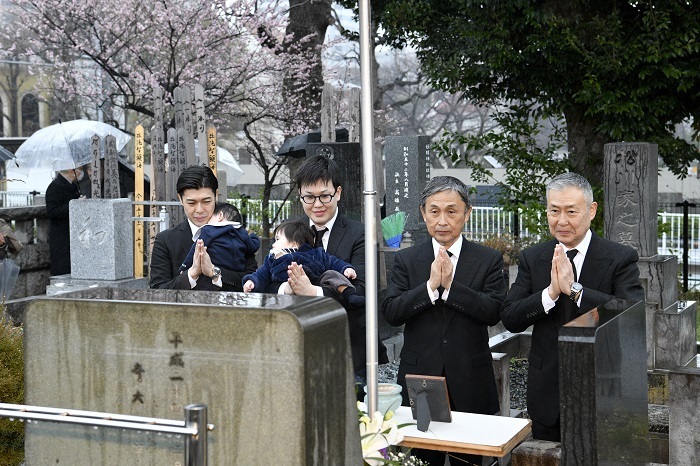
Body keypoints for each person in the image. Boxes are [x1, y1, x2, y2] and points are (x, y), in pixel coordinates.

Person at [501, 172, 645, 442]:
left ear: (591, 211)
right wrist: (550, 292)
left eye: (571, 211)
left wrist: (575, 290)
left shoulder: (619, 258)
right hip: (547, 394)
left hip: (602, 390)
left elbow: (630, 316)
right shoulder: (534, 257)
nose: (562, 220)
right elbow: (510, 316)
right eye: (554, 211)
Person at [382, 176, 506, 466]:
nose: (442, 220)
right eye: (434, 211)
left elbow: (495, 311)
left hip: (471, 378)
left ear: (467, 213)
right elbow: (391, 311)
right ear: (424, 213)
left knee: (473, 459)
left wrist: (450, 289)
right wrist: (429, 288)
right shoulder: (406, 259)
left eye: (452, 211)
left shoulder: (487, 259)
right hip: (421, 377)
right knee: (424, 459)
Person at [284, 155, 388, 384]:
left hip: (349, 348)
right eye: (309, 197)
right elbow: (272, 278)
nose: (317, 204)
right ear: (300, 195)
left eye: (324, 196)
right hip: (300, 347)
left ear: (338, 193)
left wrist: (312, 292)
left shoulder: (359, 233)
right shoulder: (289, 231)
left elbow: (361, 291)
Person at [149, 165, 257, 291]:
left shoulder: (235, 233)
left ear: (216, 195)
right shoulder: (166, 240)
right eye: (191, 203)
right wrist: (191, 274)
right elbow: (157, 291)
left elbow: (253, 279)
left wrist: (214, 272)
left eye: (206, 201)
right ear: (180, 199)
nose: (199, 210)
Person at [243, 218, 364, 307]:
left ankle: (350, 294)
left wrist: (345, 268)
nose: (273, 244)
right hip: (285, 297)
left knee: (332, 275)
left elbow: (333, 261)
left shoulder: (314, 253)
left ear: (294, 243)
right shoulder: (273, 258)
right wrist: (252, 281)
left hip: (315, 283)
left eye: (278, 239)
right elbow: (262, 273)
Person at [178, 201, 260, 279]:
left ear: (220, 216)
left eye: (211, 218)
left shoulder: (209, 230)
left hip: (215, 267)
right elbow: (253, 246)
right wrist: (253, 236)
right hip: (238, 270)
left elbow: (196, 249)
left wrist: (185, 266)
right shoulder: (242, 232)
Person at [45, 166, 88, 275]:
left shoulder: (72, 185)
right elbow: (52, 211)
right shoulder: (55, 186)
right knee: (63, 268)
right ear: (71, 170)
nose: (81, 173)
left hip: (73, 233)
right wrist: (74, 205)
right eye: (80, 169)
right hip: (61, 236)